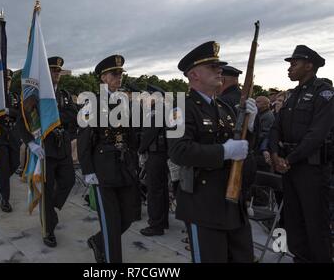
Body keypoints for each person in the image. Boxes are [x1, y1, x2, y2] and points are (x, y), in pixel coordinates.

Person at [168, 41, 257, 263]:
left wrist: (251, 127)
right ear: (193, 74)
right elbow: (179, 151)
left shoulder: (225, 109)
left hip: (233, 201)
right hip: (203, 204)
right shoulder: (179, 109)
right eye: (212, 67)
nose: (220, 70)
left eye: (219, 66)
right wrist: (223, 151)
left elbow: (242, 149)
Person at [269, 45, 334, 263]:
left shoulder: (324, 94)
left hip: (311, 169)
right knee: (294, 222)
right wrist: (276, 154)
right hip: (289, 167)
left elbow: (317, 134)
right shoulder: (291, 96)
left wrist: (288, 159)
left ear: (309, 66)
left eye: (294, 64)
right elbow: (275, 127)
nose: (289, 68)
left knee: (315, 224)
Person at [77, 54, 141, 263]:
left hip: (124, 167)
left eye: (121, 73)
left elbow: (131, 135)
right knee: (111, 223)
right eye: (115, 73)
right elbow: (84, 140)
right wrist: (88, 171)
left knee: (129, 217)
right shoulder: (91, 103)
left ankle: (98, 240)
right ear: (103, 77)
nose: (119, 77)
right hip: (103, 170)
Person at [18, 56, 76, 248]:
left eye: (58, 70)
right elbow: (22, 121)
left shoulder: (65, 94)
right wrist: (30, 143)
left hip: (63, 147)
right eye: (53, 70)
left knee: (69, 181)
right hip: (45, 149)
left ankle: (50, 208)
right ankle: (48, 230)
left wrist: (53, 116)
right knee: (46, 189)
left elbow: (73, 115)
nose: (56, 73)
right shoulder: (35, 96)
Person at [139, 84, 170, 236]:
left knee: (154, 190)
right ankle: (163, 221)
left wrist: (140, 149)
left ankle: (155, 225)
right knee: (161, 188)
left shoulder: (155, 111)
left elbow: (148, 134)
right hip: (162, 154)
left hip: (155, 154)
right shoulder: (164, 108)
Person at [0, 69, 21, 212]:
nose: (7, 82)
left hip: (14, 136)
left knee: (15, 163)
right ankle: (5, 200)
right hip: (0, 136)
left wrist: (9, 111)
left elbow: (21, 114)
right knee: (3, 169)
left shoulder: (15, 96)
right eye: (4, 80)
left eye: (9, 80)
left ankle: (0, 179)